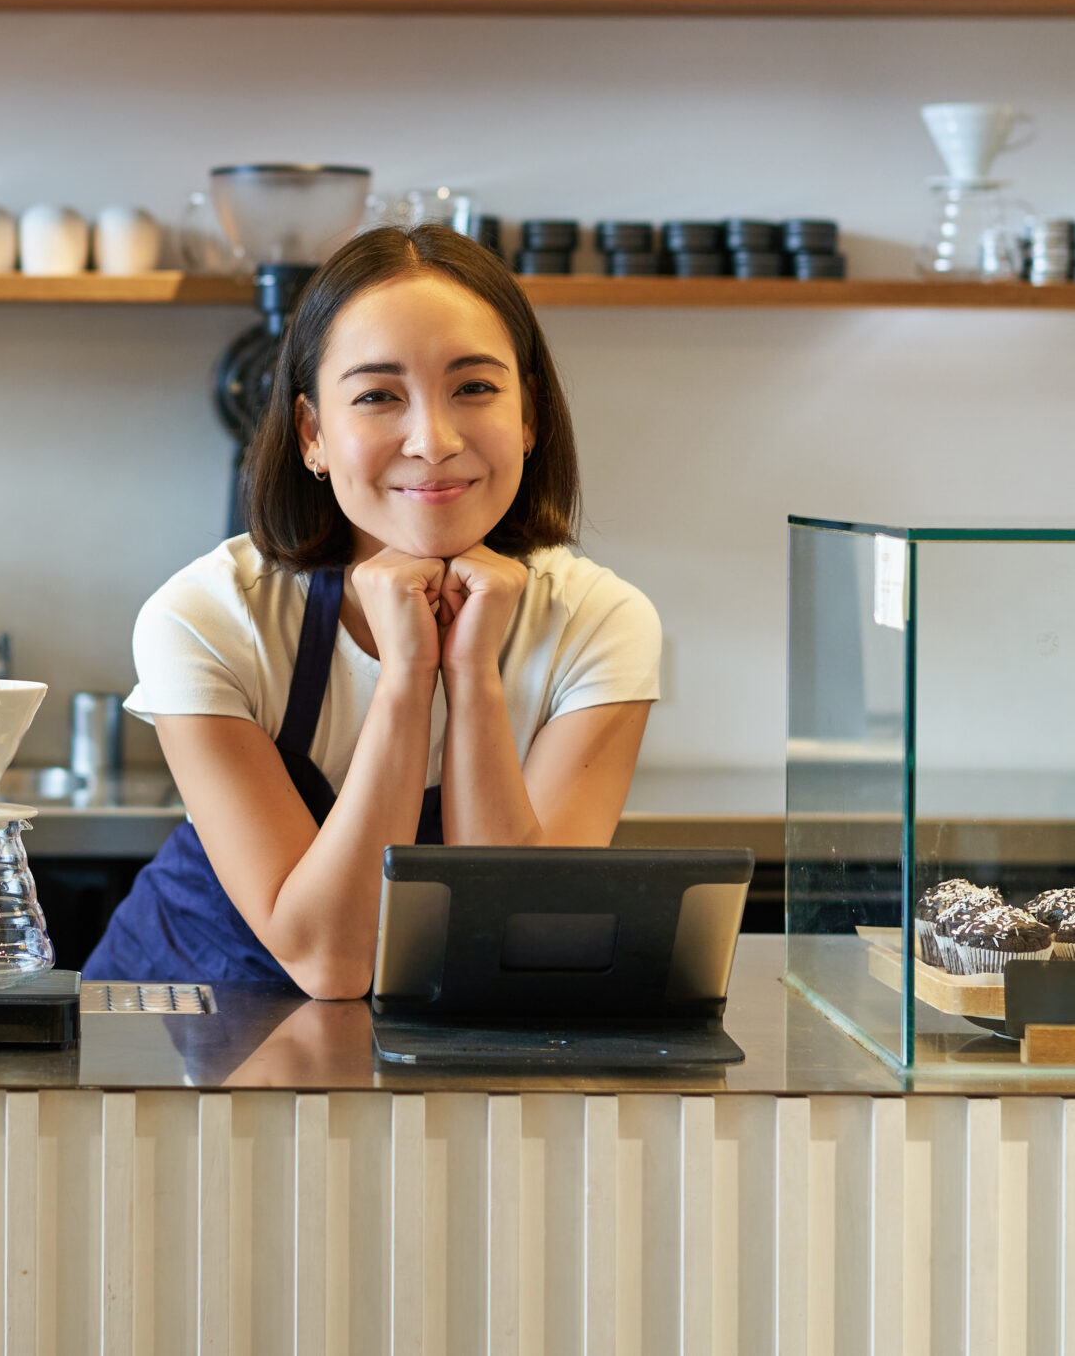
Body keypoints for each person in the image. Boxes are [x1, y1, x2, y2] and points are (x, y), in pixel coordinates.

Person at [86, 224, 661, 998]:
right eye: (377, 396)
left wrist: (473, 676)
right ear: (313, 434)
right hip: (177, 1045)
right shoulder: (207, 618)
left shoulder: (600, 623)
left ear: (530, 418)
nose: (433, 438)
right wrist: (407, 677)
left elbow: (517, 946)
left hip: (427, 1062)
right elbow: (333, 961)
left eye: (476, 387)